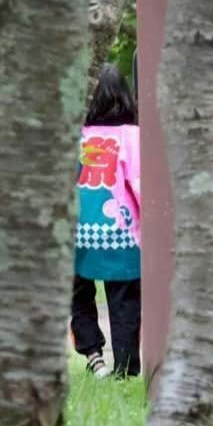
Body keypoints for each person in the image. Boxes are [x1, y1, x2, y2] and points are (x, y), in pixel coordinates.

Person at [71, 65, 141, 378]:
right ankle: (126, 368)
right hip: (121, 234)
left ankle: (93, 355)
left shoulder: (75, 137)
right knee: (124, 300)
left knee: (78, 295)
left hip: (79, 232)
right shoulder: (132, 136)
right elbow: (139, 184)